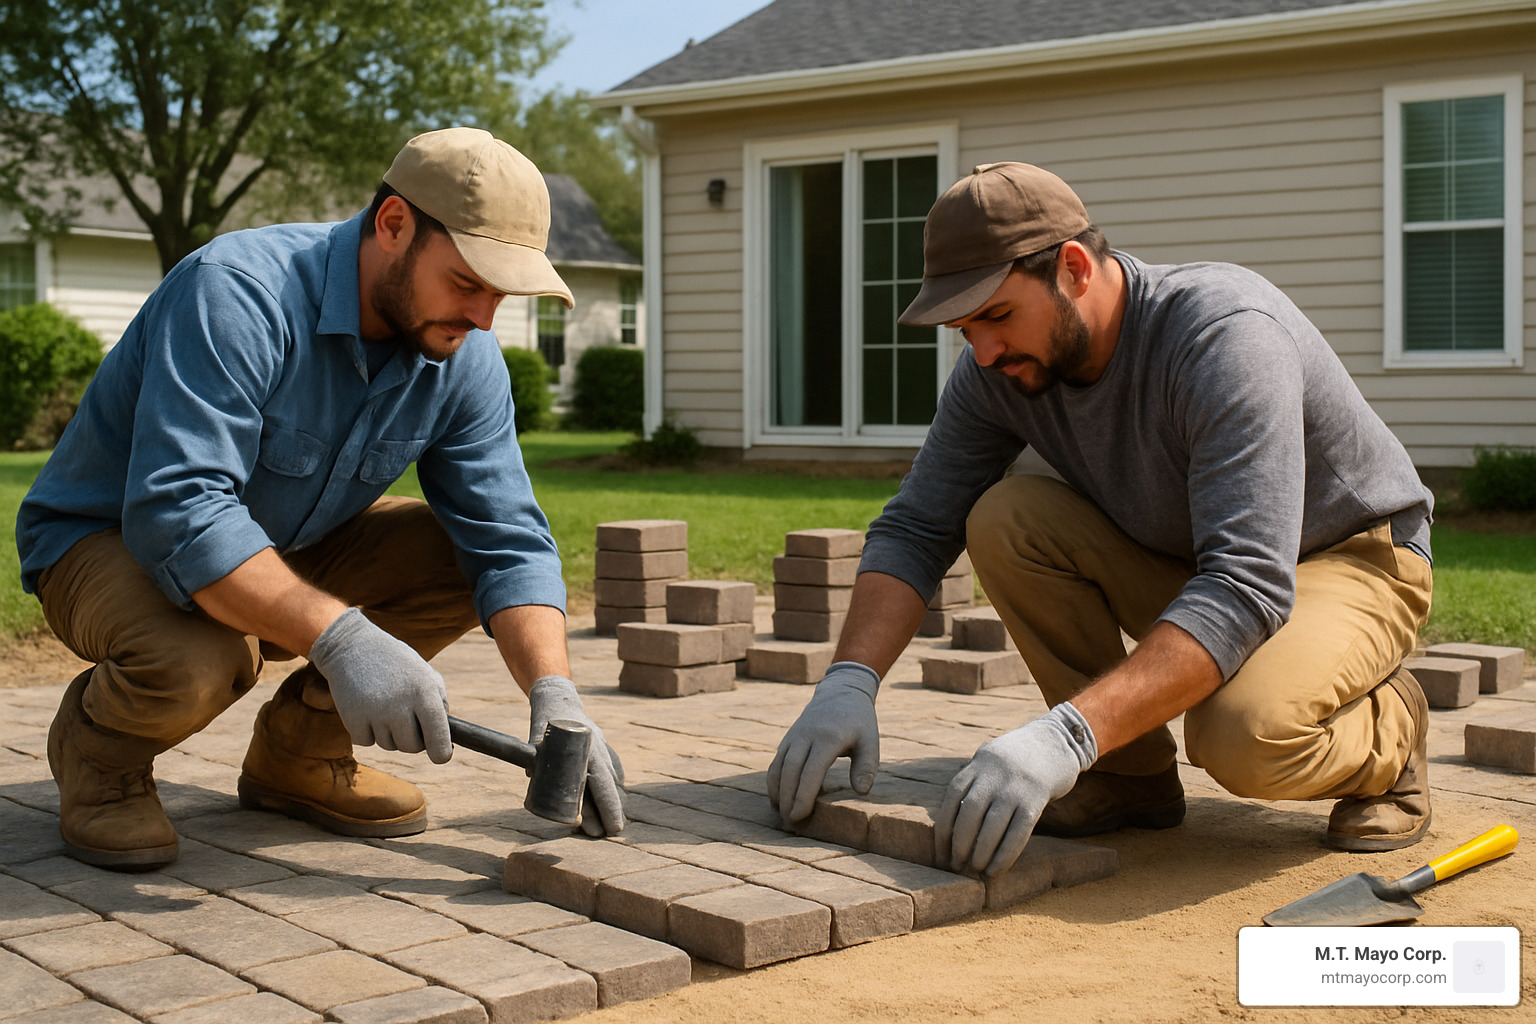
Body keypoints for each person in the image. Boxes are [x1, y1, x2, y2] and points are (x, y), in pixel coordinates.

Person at [767, 162, 1433, 878]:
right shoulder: (996, 371)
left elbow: (1247, 585)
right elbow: (917, 526)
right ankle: (1126, 773)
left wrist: (1067, 733)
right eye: (964, 328)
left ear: (1075, 268)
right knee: (1006, 517)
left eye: (997, 315)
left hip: (1345, 556)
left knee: (1243, 736)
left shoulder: (1224, 336)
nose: (983, 351)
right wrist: (849, 680)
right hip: (1196, 561)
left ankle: (1392, 734)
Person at [16, 127, 625, 871]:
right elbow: (181, 512)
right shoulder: (238, 291)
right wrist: (343, 641)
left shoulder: (463, 357)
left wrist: (557, 696)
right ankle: (100, 758)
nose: (483, 317)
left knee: (457, 559)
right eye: (468, 282)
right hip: (104, 541)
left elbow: (509, 540)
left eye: (501, 293)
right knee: (201, 657)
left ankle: (298, 755)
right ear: (394, 224)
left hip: (283, 542)